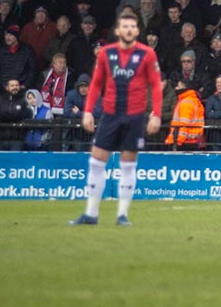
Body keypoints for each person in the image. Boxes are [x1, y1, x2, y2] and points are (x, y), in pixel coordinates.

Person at [69, 13, 163, 228]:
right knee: (96, 162)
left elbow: (156, 85)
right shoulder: (106, 53)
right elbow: (96, 83)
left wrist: (156, 113)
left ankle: (122, 215)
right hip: (110, 115)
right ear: (118, 31)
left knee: (128, 166)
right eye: (125, 26)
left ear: (137, 31)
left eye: (132, 26)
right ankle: (91, 214)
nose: (129, 29)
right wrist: (88, 111)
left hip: (134, 116)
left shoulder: (147, 54)